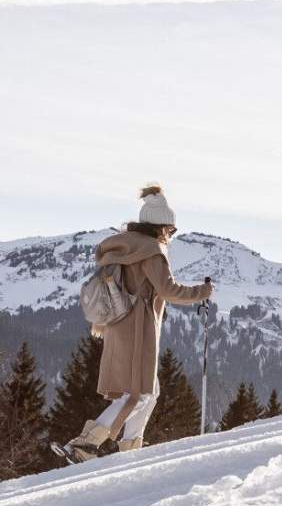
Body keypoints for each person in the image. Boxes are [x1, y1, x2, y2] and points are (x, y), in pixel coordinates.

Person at [53, 185, 214, 463]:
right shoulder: (151, 251)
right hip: (139, 329)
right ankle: (85, 444)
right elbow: (169, 290)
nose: (170, 234)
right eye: (171, 229)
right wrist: (203, 291)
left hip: (118, 325)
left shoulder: (124, 247)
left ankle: (130, 452)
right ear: (161, 226)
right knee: (138, 394)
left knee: (150, 392)